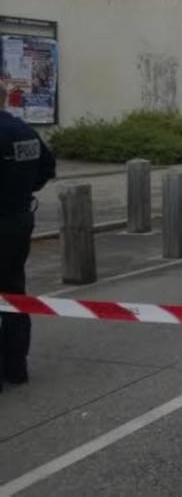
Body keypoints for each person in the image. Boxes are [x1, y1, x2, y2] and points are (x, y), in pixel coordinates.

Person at [0, 79, 56, 391]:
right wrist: (22, 190)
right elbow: (48, 168)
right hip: (20, 219)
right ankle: (16, 368)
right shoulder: (25, 131)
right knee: (14, 291)